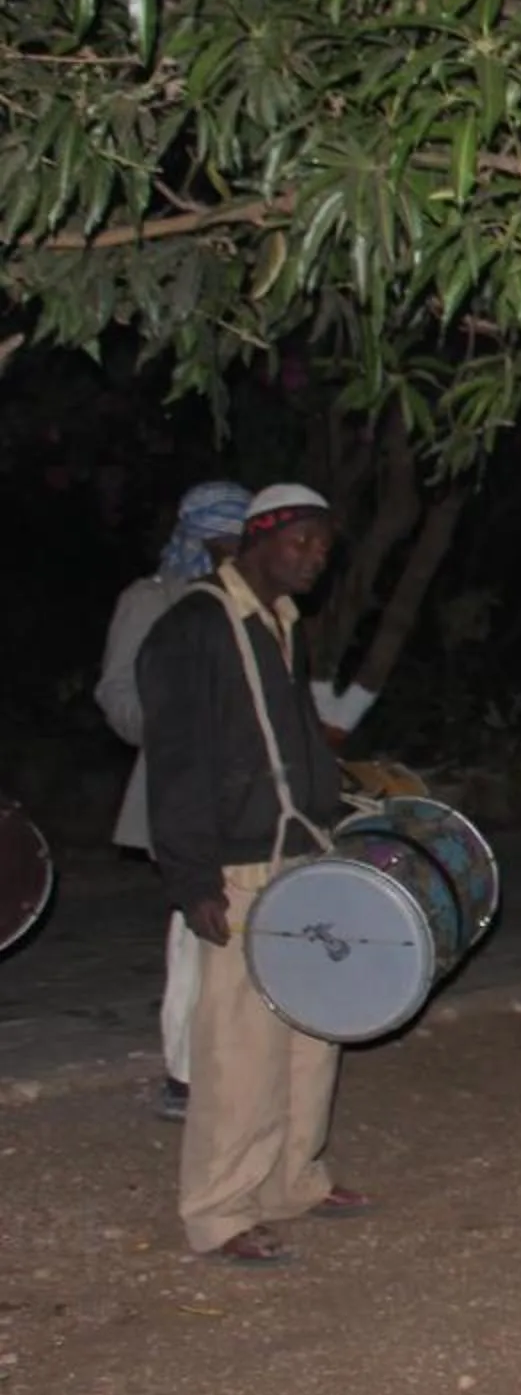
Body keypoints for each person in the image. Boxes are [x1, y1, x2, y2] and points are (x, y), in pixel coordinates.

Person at [136, 484, 372, 1264]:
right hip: (237, 864)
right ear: (256, 538)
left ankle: (290, 1180)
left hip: (300, 855)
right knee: (239, 1048)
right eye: (301, 542)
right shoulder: (195, 627)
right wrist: (193, 877)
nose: (314, 559)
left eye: (323, 548)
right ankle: (219, 1210)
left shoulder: (280, 625)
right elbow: (174, 764)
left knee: (312, 1033)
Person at [99, 479, 251, 1122]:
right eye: (222, 538)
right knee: (197, 931)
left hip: (246, 794)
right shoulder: (153, 600)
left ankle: (232, 1063)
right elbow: (117, 697)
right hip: (180, 788)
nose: (231, 549)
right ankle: (184, 1077)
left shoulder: (247, 603)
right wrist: (184, 723)